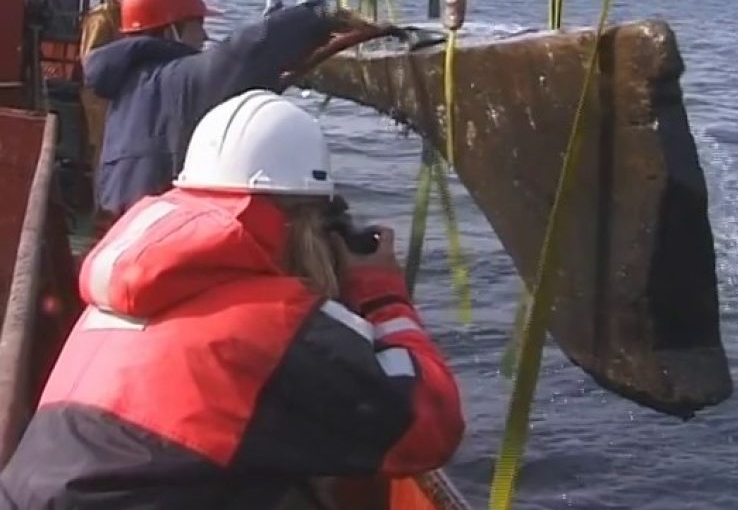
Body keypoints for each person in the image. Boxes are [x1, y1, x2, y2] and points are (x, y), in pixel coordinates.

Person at [0, 89, 466, 509]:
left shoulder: (129, 291)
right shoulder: (270, 323)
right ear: (302, 221)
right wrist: (381, 291)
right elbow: (431, 426)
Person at [82, 0, 356, 229]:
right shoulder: (179, 78)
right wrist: (320, 16)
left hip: (119, 231)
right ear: (169, 30)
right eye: (197, 24)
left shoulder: (131, 84)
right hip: (157, 233)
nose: (204, 35)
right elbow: (247, 52)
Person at [79, 0, 143, 171]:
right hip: (99, 96)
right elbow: (90, 59)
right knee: (103, 148)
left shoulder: (130, 15)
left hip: (121, 93)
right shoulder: (101, 18)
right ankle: (100, 200)